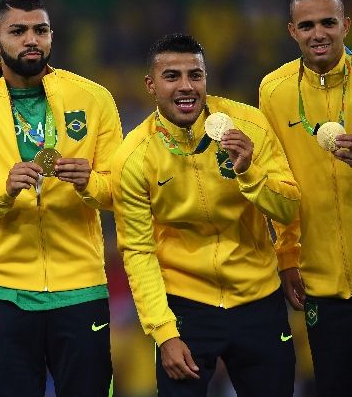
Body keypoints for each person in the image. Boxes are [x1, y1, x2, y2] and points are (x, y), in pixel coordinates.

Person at [0, 0, 121, 397]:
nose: (31, 39)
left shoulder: (93, 98)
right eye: (18, 31)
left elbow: (121, 190)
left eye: (40, 30)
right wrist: (4, 190)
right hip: (5, 290)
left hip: (81, 288)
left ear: (51, 36)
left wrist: (90, 183)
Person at [111, 33, 300, 396]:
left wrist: (249, 173)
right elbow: (138, 250)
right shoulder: (133, 156)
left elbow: (289, 207)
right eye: (172, 76)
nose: (186, 86)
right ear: (151, 84)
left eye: (195, 75)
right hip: (186, 305)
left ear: (206, 78)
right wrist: (164, 333)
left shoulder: (251, 126)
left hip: (258, 298)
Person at [259, 0, 352, 396]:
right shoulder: (273, 92)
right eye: (308, 25)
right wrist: (287, 256)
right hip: (319, 281)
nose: (319, 33)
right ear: (291, 31)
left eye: (328, 23)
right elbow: (279, 180)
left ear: (346, 25)